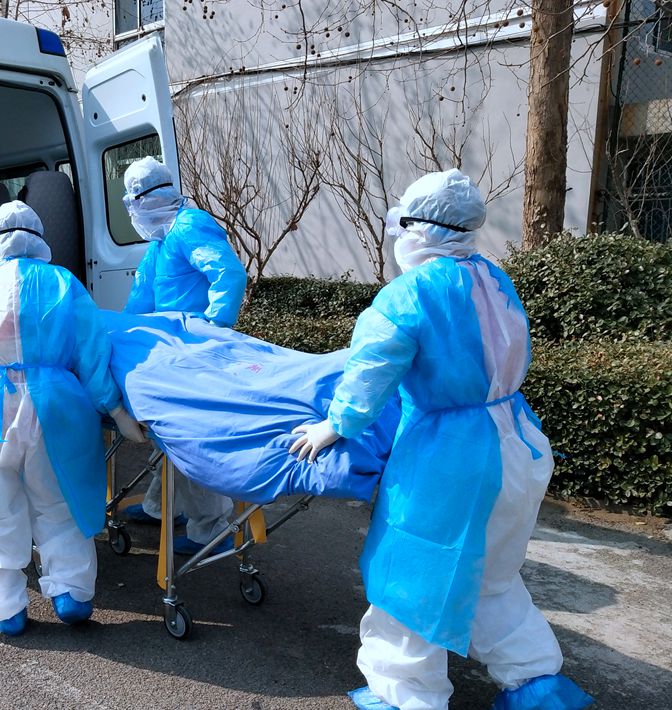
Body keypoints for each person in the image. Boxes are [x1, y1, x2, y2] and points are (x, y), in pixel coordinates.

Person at [290, 170, 593, 710]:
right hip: (517, 440)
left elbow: (369, 374)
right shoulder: (493, 277)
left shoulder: (409, 295)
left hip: (450, 459)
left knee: (411, 580)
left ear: (419, 228)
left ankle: (407, 696)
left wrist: (332, 426)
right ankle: (538, 686)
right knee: (492, 577)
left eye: (401, 224)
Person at [0, 200, 147, 637]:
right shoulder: (61, 282)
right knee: (60, 501)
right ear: (38, 238)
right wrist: (116, 409)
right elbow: (91, 352)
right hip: (53, 405)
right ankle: (71, 594)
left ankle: (4, 609)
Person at [118, 156, 249, 556]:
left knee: (189, 438)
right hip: (172, 353)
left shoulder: (189, 226)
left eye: (134, 201)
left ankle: (212, 529)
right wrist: (121, 338)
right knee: (167, 433)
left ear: (146, 199)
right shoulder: (161, 241)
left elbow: (228, 273)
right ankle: (161, 507)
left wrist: (214, 327)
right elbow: (142, 297)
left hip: (196, 352)